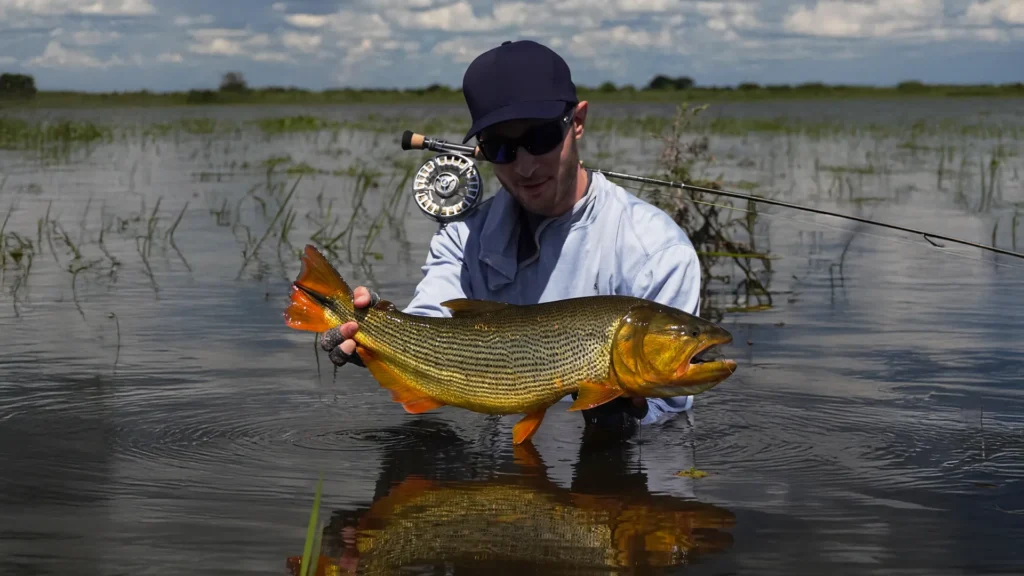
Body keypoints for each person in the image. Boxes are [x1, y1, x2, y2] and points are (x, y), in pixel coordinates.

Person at [320, 39, 703, 435]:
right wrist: (377, 339)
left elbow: (670, 413)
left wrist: (625, 416)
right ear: (481, 149)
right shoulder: (463, 236)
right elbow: (429, 324)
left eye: (540, 139)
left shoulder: (658, 251)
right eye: (502, 147)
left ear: (578, 121)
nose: (525, 167)